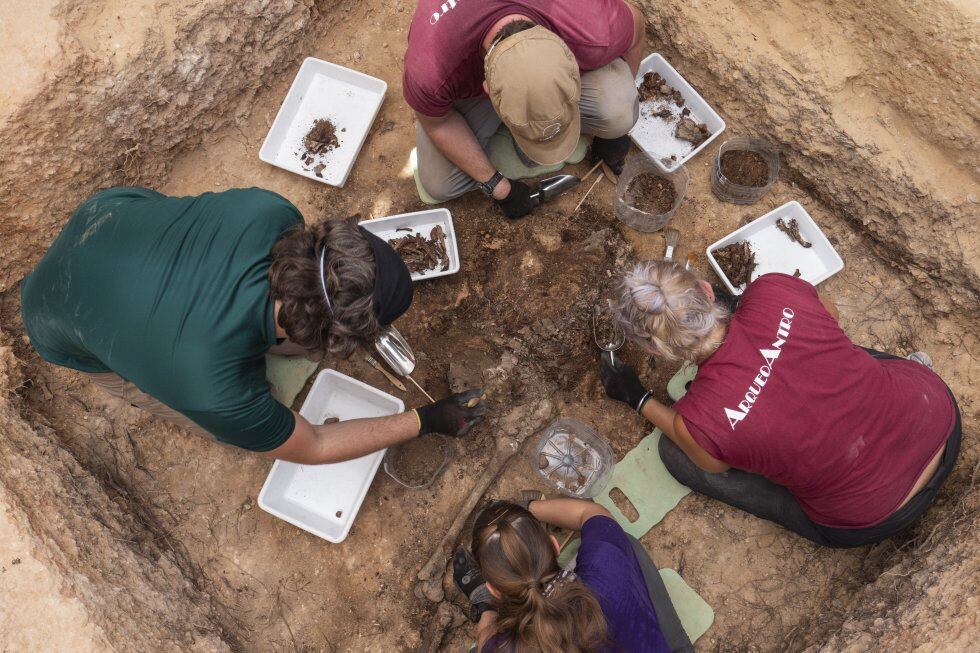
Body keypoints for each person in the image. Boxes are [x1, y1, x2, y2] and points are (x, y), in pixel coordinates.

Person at [20, 186, 486, 462]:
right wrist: (425, 419)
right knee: (260, 413)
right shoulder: (216, 389)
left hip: (106, 214)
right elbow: (316, 443)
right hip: (56, 321)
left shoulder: (271, 213)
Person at [598, 261, 961, 548]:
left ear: (654, 350)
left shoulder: (699, 421)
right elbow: (830, 314)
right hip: (935, 417)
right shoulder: (773, 290)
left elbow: (713, 464)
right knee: (824, 346)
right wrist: (769, 330)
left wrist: (637, 397)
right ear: (708, 292)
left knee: (677, 453)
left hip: (874, 516)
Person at [404, 0, 646, 218]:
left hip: (555, 44)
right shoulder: (433, 68)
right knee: (440, 184)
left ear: (571, 59)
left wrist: (616, 134)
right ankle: (505, 141)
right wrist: (498, 186)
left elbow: (637, 26)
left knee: (620, 112)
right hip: (471, 76)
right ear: (487, 90)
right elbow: (438, 122)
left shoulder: (592, 24)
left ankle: (515, 140)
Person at [453, 496, 693, 653]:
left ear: (494, 589)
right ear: (555, 545)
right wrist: (532, 507)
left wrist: (488, 612)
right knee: (614, 539)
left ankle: (483, 604)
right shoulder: (605, 565)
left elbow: (485, 640)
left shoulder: (505, 647)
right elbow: (590, 512)